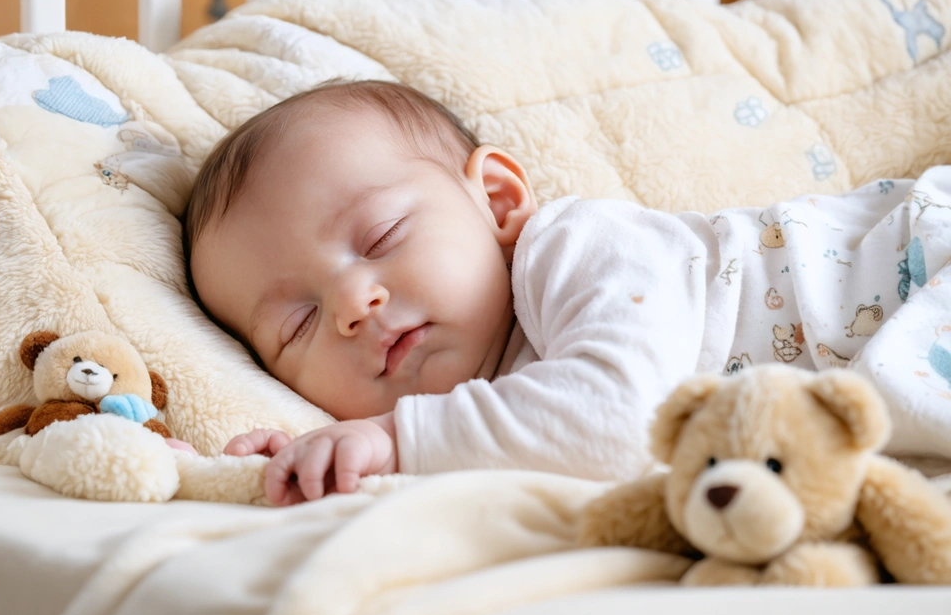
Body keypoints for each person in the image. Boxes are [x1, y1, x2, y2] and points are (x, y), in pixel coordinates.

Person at [184, 79, 951, 505]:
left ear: (497, 201)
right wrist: (320, 455)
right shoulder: (486, 406)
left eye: (382, 237)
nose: (353, 307)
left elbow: (619, 422)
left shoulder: (576, 248)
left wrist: (394, 441)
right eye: (297, 326)